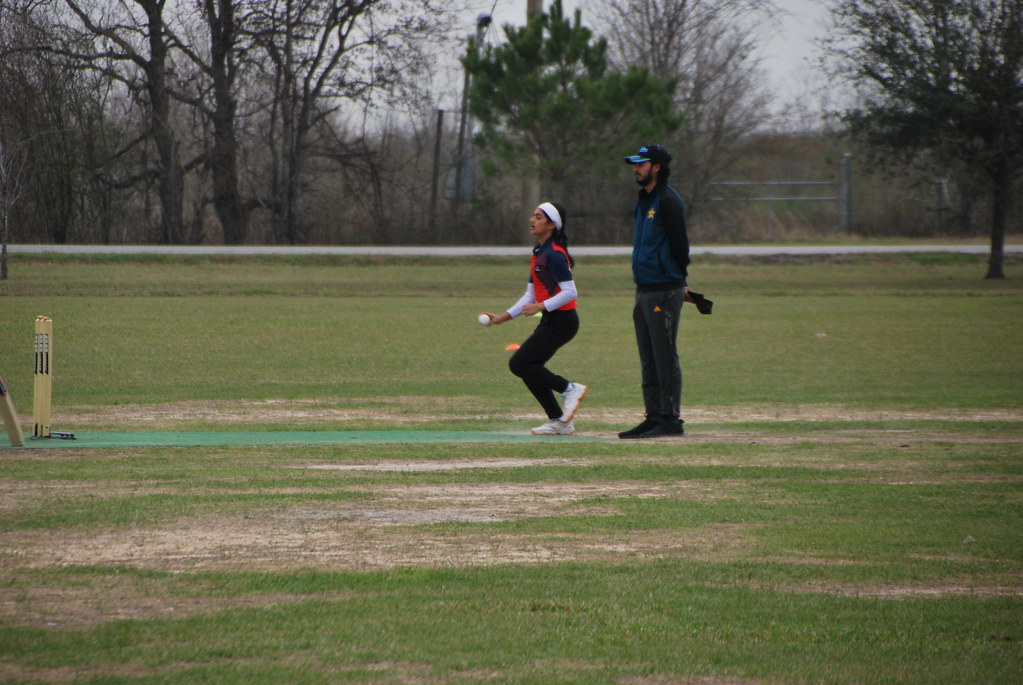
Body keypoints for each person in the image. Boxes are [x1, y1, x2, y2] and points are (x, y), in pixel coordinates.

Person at [481, 202, 587, 435]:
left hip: (563, 322)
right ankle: (560, 422)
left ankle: (570, 389)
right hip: (551, 320)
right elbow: (529, 294)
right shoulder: (539, 253)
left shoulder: (555, 254)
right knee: (526, 366)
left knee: (520, 363)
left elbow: (570, 292)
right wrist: (502, 318)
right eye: (533, 215)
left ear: (551, 225)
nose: (532, 219)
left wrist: (541, 305)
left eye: (538, 217)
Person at [619, 144, 690, 439]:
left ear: (656, 167)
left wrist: (680, 280)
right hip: (644, 289)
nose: (636, 168)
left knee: (664, 356)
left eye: (641, 164)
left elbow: (680, 245)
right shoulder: (644, 200)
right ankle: (653, 416)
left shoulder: (668, 201)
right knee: (648, 357)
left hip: (664, 290)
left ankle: (670, 419)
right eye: (634, 164)